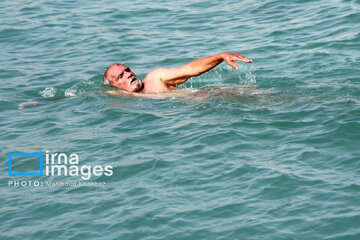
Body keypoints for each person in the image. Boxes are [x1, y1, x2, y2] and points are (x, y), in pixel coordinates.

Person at [103, 52, 252, 94]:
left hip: (213, 97)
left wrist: (221, 56)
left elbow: (190, 70)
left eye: (127, 70)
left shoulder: (155, 77)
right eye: (121, 76)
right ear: (115, 86)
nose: (129, 74)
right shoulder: (122, 99)